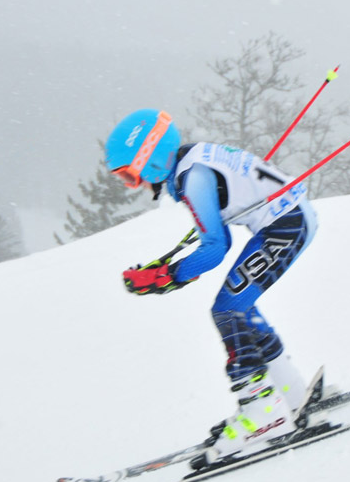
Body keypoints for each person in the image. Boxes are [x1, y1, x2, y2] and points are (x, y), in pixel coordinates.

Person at [104, 109, 318, 462]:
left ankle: (263, 412)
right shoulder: (192, 162)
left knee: (227, 310)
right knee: (238, 306)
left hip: (286, 225)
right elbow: (219, 233)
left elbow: (215, 248)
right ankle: (291, 393)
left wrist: (167, 276)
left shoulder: (194, 178)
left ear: (150, 159)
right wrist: (168, 271)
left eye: (130, 174)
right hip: (288, 219)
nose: (134, 184)